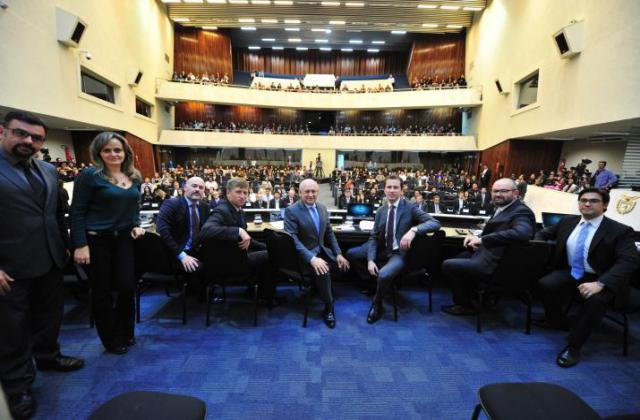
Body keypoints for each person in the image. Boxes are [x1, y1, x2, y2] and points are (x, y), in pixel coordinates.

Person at [0, 112, 84, 419]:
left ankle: (48, 356)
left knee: (49, 316)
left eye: (36, 138)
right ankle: (18, 386)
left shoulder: (48, 170)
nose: (29, 141)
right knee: (12, 330)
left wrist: (65, 249)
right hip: (10, 268)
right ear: (3, 131)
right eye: (21, 134)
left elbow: (56, 214)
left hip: (50, 259)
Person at [534, 188, 639, 367]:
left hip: (602, 276)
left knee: (595, 301)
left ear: (604, 205)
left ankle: (574, 346)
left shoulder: (620, 230)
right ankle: (557, 322)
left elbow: (628, 262)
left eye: (593, 201)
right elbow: (544, 233)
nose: (587, 203)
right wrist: (539, 240)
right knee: (545, 284)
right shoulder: (568, 221)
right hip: (574, 271)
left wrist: (601, 283)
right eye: (583, 200)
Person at [70, 132, 145, 355]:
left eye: (117, 150)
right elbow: (77, 211)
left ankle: (126, 332)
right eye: (107, 150)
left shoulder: (135, 176)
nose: (113, 154)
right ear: (99, 153)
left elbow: (135, 207)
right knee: (102, 291)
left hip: (124, 239)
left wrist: (136, 223)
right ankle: (111, 339)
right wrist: (80, 244)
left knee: (126, 287)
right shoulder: (90, 175)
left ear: (125, 153)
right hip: (96, 240)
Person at [346, 176, 441, 323]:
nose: (391, 190)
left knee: (383, 275)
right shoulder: (381, 211)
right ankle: (372, 283)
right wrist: (370, 260)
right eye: (389, 187)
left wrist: (414, 230)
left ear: (401, 190)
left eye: (395, 187)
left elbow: (434, 223)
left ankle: (377, 305)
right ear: (384, 189)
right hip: (381, 248)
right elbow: (373, 237)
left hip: (398, 253)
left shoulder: (409, 207)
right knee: (351, 254)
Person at [440, 178, 536, 315]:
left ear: (515, 193)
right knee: (462, 255)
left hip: (497, 264)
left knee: (448, 265)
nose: (498, 194)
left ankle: (465, 305)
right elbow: (500, 228)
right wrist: (478, 236)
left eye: (503, 191)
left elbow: (522, 233)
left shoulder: (521, 211)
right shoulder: (504, 208)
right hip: (491, 254)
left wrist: (483, 240)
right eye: (495, 191)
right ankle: (477, 298)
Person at [200, 178, 282, 305]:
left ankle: (256, 292)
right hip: (230, 262)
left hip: (237, 256)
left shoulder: (240, 211)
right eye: (238, 192)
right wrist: (238, 230)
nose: (243, 196)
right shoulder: (222, 210)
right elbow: (206, 231)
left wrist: (266, 246)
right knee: (274, 255)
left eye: (245, 193)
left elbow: (248, 238)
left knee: (271, 251)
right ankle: (266, 296)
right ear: (228, 193)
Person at [284, 179, 350, 328]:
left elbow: (329, 233)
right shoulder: (292, 211)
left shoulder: (322, 208)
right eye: (307, 191)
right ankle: (328, 307)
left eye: (313, 191)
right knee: (323, 271)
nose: (310, 194)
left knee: (345, 266)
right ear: (300, 193)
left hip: (321, 250)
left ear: (318, 192)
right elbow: (293, 240)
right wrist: (312, 259)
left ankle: (318, 288)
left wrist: (338, 253)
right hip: (304, 256)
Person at [156, 177, 210, 274]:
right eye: (194, 186)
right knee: (198, 269)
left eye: (201, 187)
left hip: (197, 249)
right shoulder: (171, 204)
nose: (197, 189)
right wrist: (181, 255)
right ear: (185, 188)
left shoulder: (204, 207)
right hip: (177, 252)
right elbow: (162, 230)